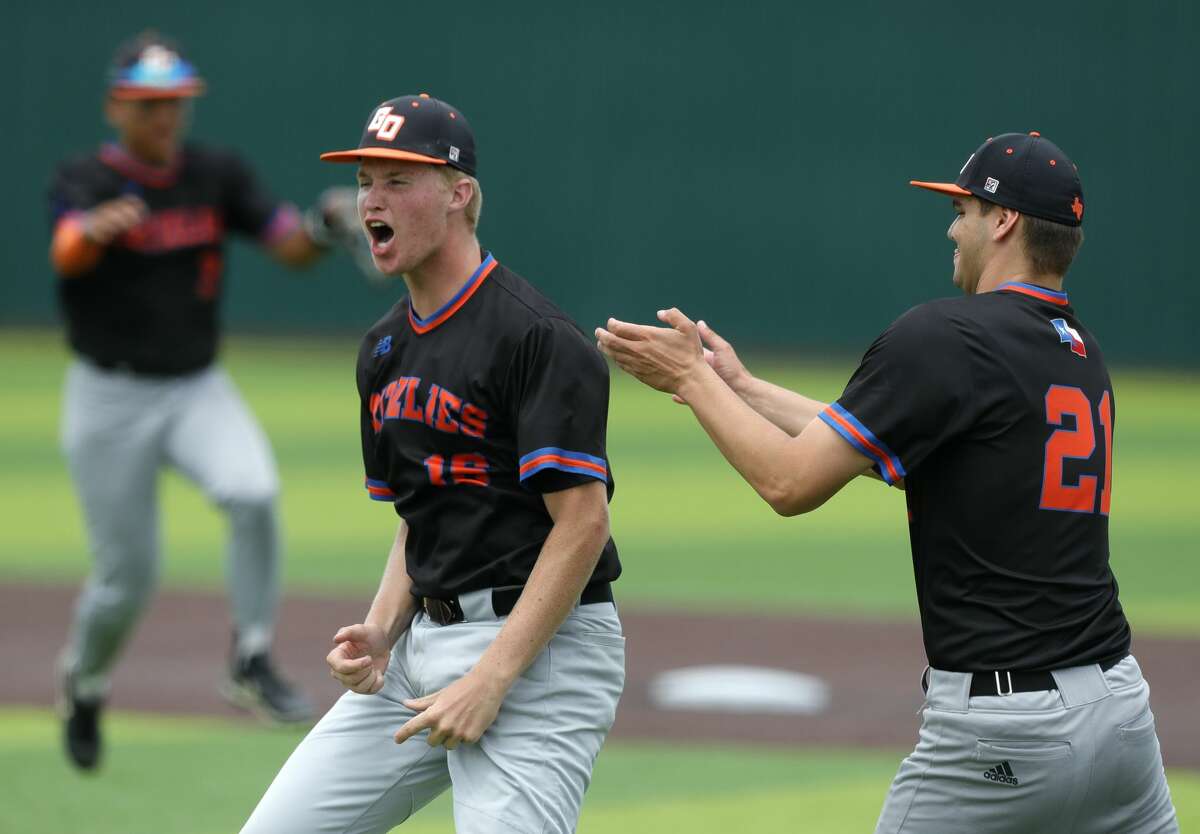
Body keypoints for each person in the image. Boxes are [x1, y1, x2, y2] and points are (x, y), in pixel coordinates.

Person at [596, 132, 1178, 833]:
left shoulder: (947, 337)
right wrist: (740, 389)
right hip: (1119, 716)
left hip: (1005, 730)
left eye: (962, 209)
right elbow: (883, 444)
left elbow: (789, 482)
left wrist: (689, 376)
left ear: (1003, 222)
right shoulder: (1077, 353)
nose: (951, 227)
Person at [238, 93, 625, 834]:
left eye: (397, 180)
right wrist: (383, 628)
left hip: (540, 658)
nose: (370, 202)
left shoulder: (536, 337)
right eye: (364, 182)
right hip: (421, 653)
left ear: (459, 194)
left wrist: (494, 677)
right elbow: (423, 516)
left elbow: (582, 524)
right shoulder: (385, 349)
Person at [48, 32, 364, 770]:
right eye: (150, 105)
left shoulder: (213, 173)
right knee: (125, 582)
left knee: (251, 490)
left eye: (175, 104)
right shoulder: (86, 177)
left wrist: (322, 226)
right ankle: (85, 681)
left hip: (195, 385)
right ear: (116, 107)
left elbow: (284, 241)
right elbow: (64, 248)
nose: (165, 118)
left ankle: (251, 657)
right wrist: (91, 230)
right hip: (108, 396)